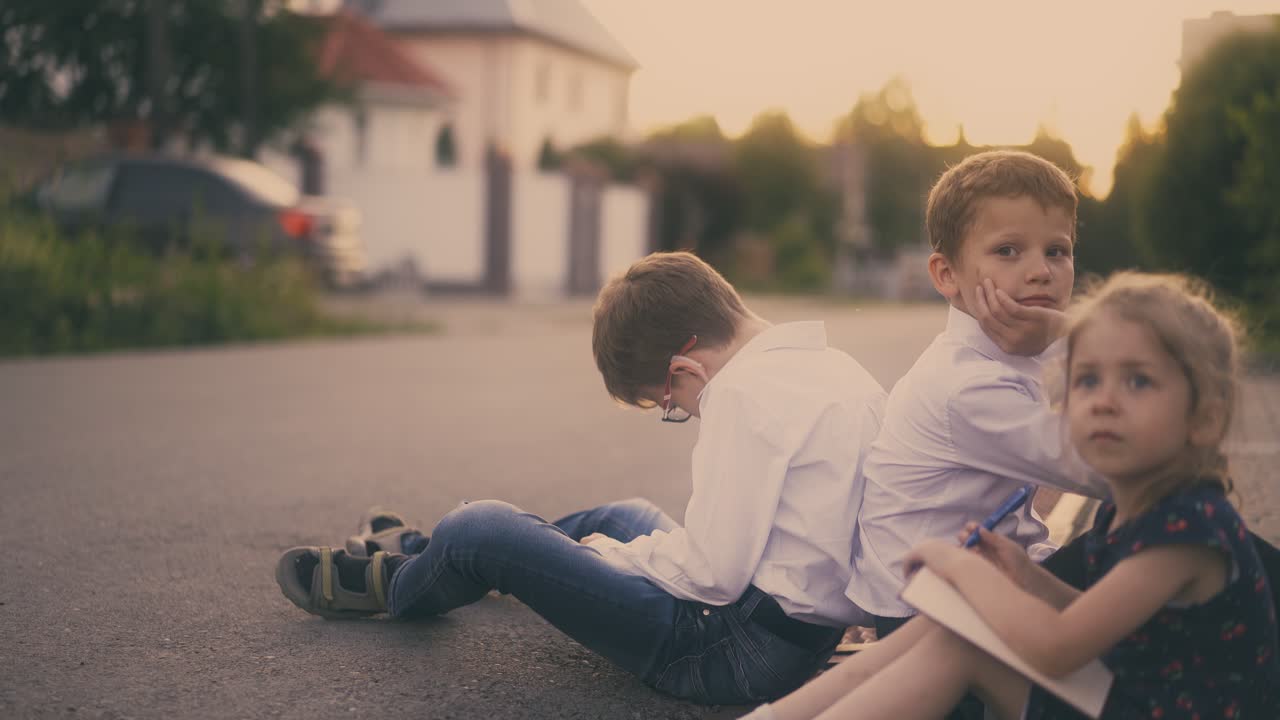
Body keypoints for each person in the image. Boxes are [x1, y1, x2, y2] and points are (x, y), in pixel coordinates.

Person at [273, 251, 888, 705]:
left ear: (683, 369)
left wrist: (604, 558)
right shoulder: (832, 367)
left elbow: (713, 573)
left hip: (734, 652)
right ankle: (431, 551)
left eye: (671, 405)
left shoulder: (744, 397)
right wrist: (617, 551)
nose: (683, 413)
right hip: (784, 629)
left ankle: (405, 580)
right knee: (625, 512)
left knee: (482, 527)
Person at [744, 271, 1280, 719]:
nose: (1105, 401)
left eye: (1138, 382)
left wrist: (961, 567)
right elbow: (1108, 619)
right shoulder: (1138, 503)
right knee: (953, 622)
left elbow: (1058, 646)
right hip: (1147, 696)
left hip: (1161, 708)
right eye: (1088, 381)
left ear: (1205, 419)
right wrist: (1027, 578)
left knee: (959, 647)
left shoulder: (1187, 530)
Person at [848, 150, 1109, 637]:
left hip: (968, 586)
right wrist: (1071, 335)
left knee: (1154, 532)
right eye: (1009, 251)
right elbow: (1112, 470)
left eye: (1057, 251)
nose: (1041, 271)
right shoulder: (968, 388)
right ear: (947, 275)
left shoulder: (1010, 356)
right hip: (926, 620)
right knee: (1169, 528)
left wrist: (1062, 334)